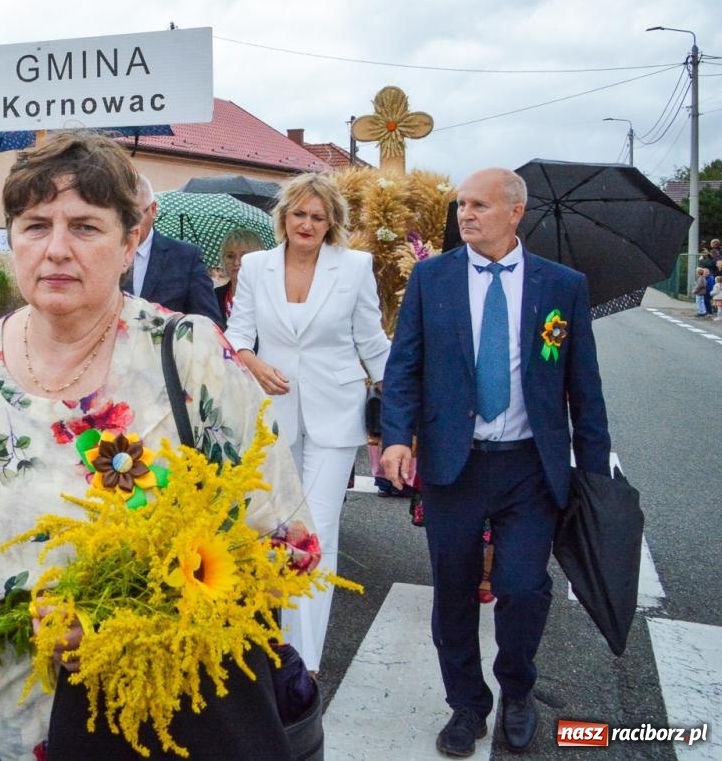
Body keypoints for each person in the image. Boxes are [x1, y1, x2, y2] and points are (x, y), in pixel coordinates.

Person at [0, 131, 316, 761]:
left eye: (86, 227)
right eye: (36, 226)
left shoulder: (189, 355)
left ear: (130, 242)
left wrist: (128, 630)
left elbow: (286, 550)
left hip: (155, 726)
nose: (56, 249)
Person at [379, 167, 612, 757]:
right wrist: (397, 437)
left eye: (480, 205)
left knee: (523, 587)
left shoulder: (562, 286)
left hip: (529, 467)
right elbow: (404, 366)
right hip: (454, 464)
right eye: (462, 204)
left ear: (515, 212)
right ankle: (466, 705)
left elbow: (584, 386)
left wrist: (593, 477)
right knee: (453, 590)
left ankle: (517, 689)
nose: (466, 214)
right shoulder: (433, 278)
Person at [224, 172, 390, 673]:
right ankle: (275, 641)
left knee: (318, 529)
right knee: (275, 529)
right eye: (299, 213)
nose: (307, 224)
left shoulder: (355, 267)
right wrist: (254, 364)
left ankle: (304, 663)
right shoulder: (256, 266)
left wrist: (404, 402)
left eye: (318, 216)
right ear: (284, 216)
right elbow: (237, 335)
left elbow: (372, 342)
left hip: (335, 413)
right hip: (273, 417)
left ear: (331, 222)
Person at [129, 175, 222, 326]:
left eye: (135, 215)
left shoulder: (186, 257)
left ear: (153, 209)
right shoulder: (106, 253)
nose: (128, 223)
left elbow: (209, 324)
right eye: (122, 215)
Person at [213, 229, 266, 327]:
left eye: (244, 256)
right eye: (230, 256)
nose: (236, 262)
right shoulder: (213, 297)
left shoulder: (269, 295)